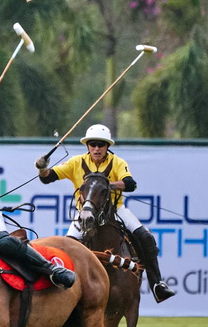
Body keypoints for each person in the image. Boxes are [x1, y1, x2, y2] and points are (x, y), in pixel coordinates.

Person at [35, 123, 176, 303]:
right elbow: (48, 178)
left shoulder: (117, 163)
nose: (96, 148)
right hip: (84, 213)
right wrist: (41, 168)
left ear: (107, 146)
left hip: (115, 210)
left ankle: (157, 284)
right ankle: (60, 291)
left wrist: (107, 185)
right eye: (92, 144)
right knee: (65, 248)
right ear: (87, 146)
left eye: (101, 145)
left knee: (146, 237)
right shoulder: (76, 162)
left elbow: (130, 183)